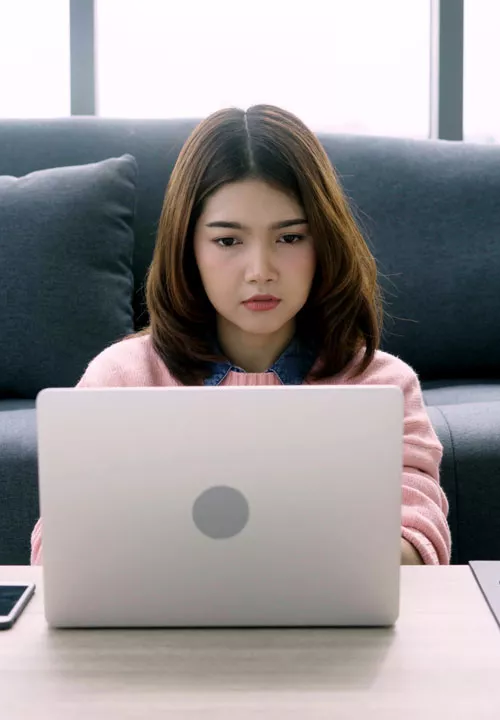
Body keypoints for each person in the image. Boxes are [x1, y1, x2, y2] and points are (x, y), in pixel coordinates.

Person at [30, 104, 450, 566]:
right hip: (158, 631)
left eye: (289, 238)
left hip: (325, 630)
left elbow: (419, 539)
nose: (260, 272)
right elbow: (59, 549)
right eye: (228, 241)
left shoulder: (381, 385)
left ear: (324, 241)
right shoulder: (120, 378)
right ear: (188, 248)